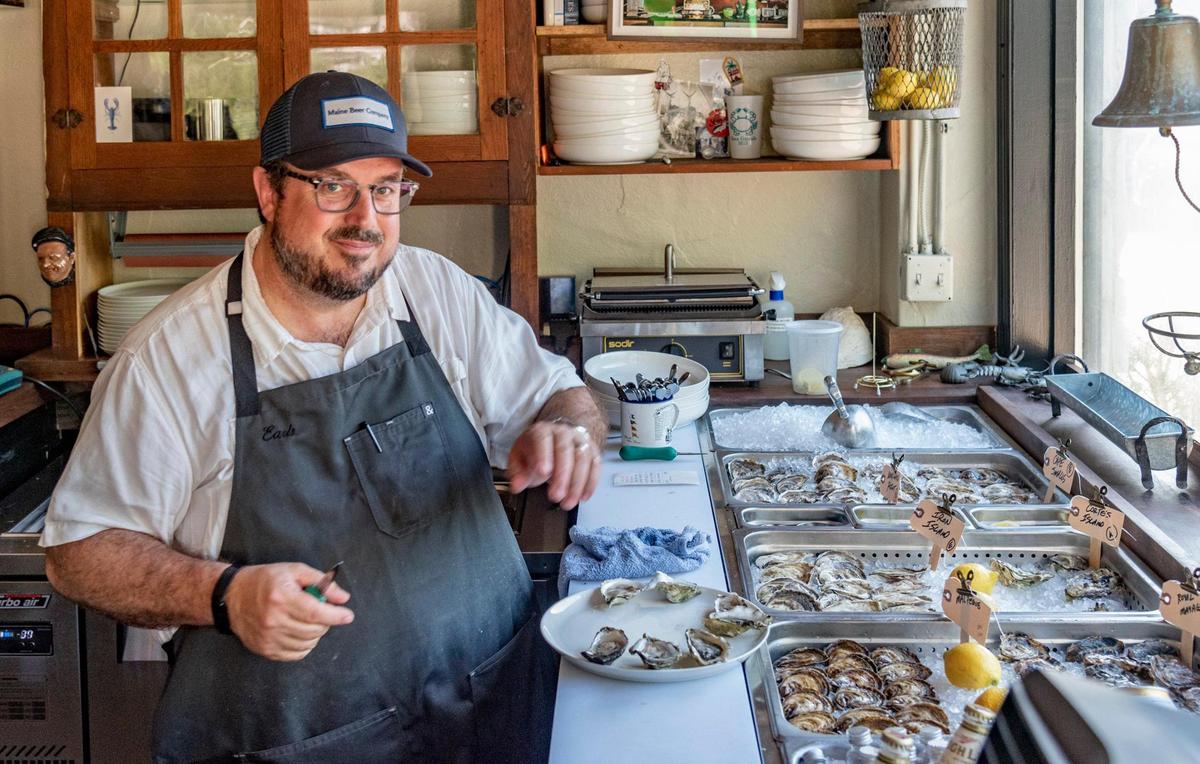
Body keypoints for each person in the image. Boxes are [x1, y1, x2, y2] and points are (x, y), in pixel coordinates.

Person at [41, 71, 605, 763]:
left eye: (388, 189)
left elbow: (561, 392)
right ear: (268, 191)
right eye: (333, 186)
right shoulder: (168, 361)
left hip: (486, 711)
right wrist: (223, 595)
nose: (366, 219)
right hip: (292, 744)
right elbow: (80, 552)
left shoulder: (433, 290)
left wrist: (566, 428)